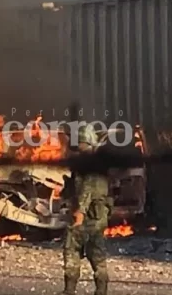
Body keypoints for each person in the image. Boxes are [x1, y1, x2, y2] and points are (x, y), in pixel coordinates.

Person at [62, 124, 111, 295]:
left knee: (96, 254)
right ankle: (69, 289)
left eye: (80, 143)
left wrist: (80, 212)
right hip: (88, 214)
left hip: (92, 217)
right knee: (71, 250)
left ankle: (101, 290)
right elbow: (75, 187)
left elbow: (88, 189)